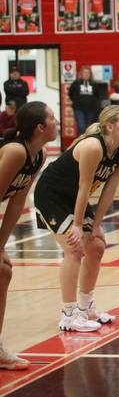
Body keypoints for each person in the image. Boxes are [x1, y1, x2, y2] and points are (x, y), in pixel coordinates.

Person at [34, 105, 119, 333]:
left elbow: (109, 189)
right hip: (51, 194)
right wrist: (78, 226)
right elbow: (83, 187)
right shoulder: (91, 146)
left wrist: (96, 224)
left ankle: (86, 307)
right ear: (110, 126)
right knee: (74, 247)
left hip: (75, 198)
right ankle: (68, 315)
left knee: (97, 246)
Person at [0, 102, 58, 366]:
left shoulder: (38, 155)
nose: (57, 122)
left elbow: (16, 201)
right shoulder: (14, 152)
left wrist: (1, 246)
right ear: (40, 127)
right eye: (53, 118)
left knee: (3, 271)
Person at [68, 67, 102, 135]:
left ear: (90, 74)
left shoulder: (94, 84)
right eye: (84, 73)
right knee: (81, 126)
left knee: (90, 127)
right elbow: (70, 93)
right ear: (81, 74)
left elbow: (98, 96)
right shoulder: (76, 83)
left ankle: (89, 143)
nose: (86, 74)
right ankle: (82, 143)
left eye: (88, 73)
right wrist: (76, 101)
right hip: (79, 109)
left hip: (91, 109)